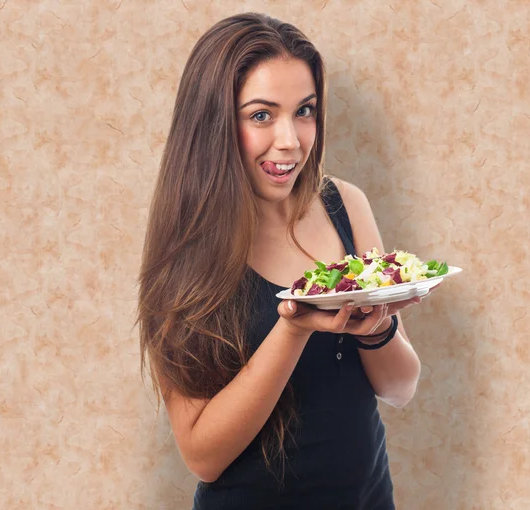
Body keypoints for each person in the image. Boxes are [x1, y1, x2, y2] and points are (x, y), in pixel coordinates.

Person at [137, 12, 424, 510]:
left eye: (305, 110)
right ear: (214, 123)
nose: (291, 140)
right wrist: (293, 330)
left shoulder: (346, 206)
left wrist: (378, 327)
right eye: (261, 115)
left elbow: (400, 388)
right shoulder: (183, 250)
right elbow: (203, 457)